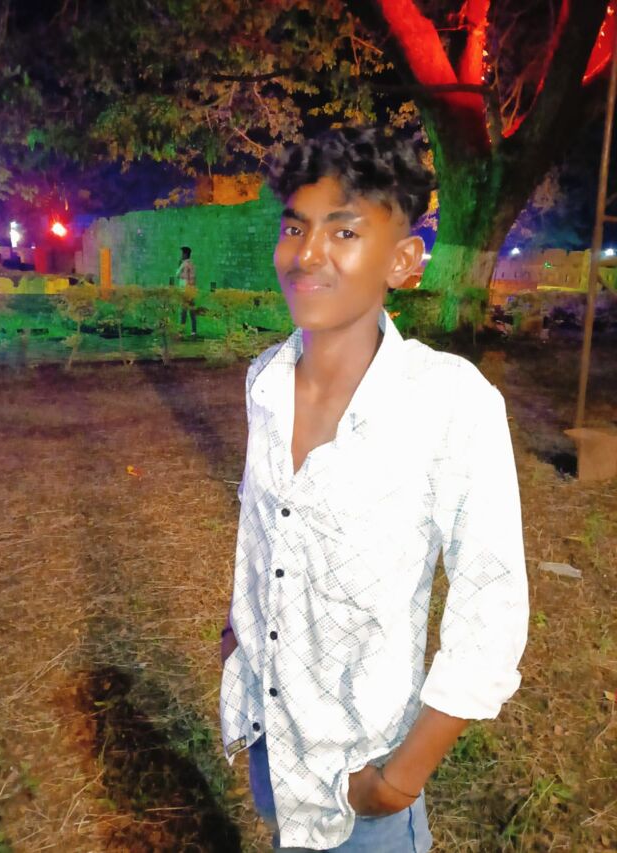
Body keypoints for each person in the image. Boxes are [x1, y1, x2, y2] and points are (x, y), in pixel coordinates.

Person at [219, 127, 529, 852]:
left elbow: (490, 603)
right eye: (294, 227)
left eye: (344, 231)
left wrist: (399, 780)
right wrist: (237, 640)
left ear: (403, 260)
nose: (307, 254)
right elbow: (267, 530)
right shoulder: (265, 382)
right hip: (269, 736)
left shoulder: (450, 402)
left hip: (362, 779)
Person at [176, 245, 197, 335]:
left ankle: (183, 331)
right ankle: (192, 331)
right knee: (188, 311)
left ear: (185, 254)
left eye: (182, 253)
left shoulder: (187, 264)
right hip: (187, 290)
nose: (181, 255)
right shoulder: (185, 264)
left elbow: (190, 278)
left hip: (186, 290)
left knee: (185, 311)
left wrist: (188, 290)